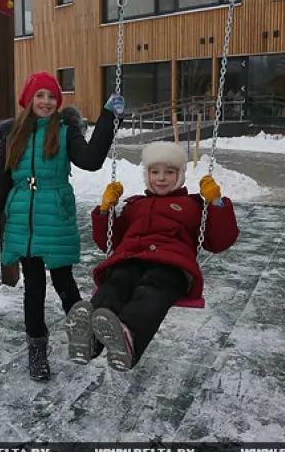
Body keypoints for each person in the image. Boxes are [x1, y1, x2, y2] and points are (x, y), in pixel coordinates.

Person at [0, 71, 125, 382]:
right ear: (28, 100)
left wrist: (109, 118)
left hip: (54, 217)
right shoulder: (11, 136)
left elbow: (91, 160)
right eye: (39, 96)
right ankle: (37, 348)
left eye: (52, 96)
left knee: (65, 282)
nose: (46, 101)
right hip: (23, 222)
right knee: (34, 289)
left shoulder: (65, 132)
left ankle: (85, 335)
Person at [65, 141, 239, 371]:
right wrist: (106, 210)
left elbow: (219, 241)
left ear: (180, 175)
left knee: (153, 288)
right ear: (147, 175)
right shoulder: (135, 205)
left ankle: (129, 337)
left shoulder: (192, 205)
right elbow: (109, 241)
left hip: (172, 265)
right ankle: (89, 338)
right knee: (117, 281)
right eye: (154, 172)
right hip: (132, 259)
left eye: (169, 172)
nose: (161, 178)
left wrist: (216, 203)